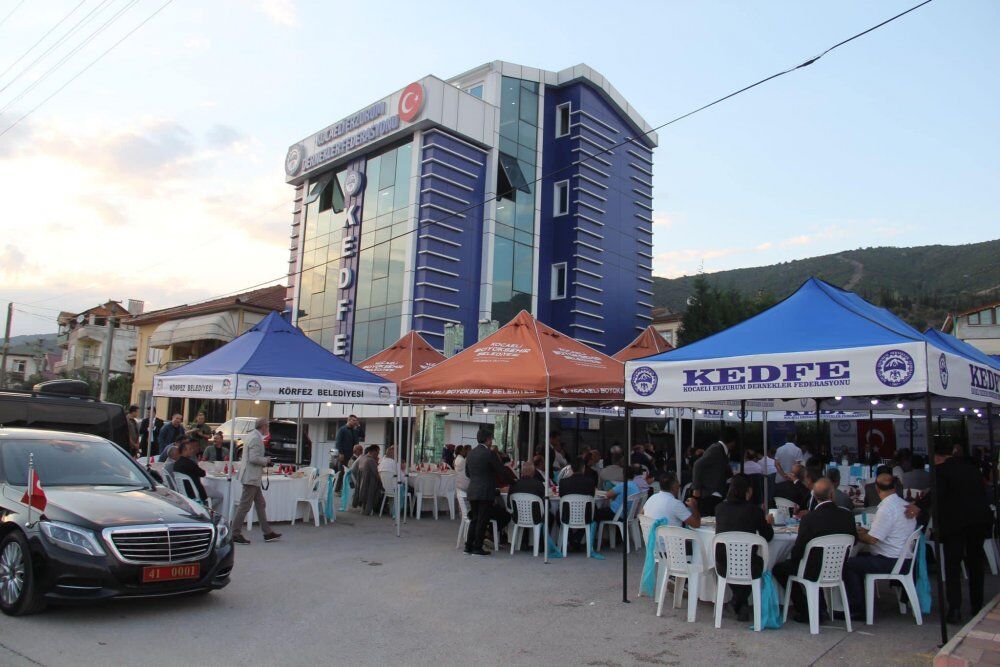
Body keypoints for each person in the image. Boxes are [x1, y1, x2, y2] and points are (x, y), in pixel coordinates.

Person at [918, 441, 993, 622]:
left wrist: (919, 505)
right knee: (975, 564)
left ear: (937, 458)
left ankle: (955, 609)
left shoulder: (942, 471)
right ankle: (977, 605)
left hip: (954, 523)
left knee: (952, 566)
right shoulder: (972, 468)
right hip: (978, 520)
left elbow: (937, 493)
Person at [773, 478, 857, 623]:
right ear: (832, 495)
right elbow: (854, 540)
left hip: (812, 569)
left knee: (780, 568)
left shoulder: (809, 519)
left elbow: (798, 551)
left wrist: (793, 560)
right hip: (838, 568)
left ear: (815, 496)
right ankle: (820, 607)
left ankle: (805, 609)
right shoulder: (847, 515)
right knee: (807, 563)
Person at [842, 472, 917, 619]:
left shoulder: (886, 509)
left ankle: (858, 609)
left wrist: (855, 532)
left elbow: (872, 540)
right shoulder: (905, 505)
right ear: (894, 487)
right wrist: (865, 532)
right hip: (904, 559)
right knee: (859, 558)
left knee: (849, 564)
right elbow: (885, 533)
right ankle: (862, 602)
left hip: (891, 560)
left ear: (876, 489)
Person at [715, 474, 774, 622]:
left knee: (737, 563)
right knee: (756, 563)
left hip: (723, 562)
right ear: (748, 491)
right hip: (748, 563)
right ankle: (740, 602)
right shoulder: (754, 511)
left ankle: (739, 603)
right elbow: (768, 536)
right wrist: (767, 523)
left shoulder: (720, 508)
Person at [231, 418, 281, 544]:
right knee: (245, 506)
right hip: (251, 477)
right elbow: (253, 458)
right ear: (263, 426)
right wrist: (266, 461)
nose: (268, 429)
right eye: (267, 426)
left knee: (260, 503)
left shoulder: (252, 435)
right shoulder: (255, 438)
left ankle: (267, 532)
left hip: (252, 477)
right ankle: (234, 533)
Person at [465, 427, 505, 556]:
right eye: (491, 439)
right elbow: (501, 471)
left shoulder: (470, 453)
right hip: (485, 491)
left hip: (473, 489)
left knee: (475, 519)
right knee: (482, 520)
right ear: (488, 439)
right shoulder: (489, 454)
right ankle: (477, 547)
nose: (491, 442)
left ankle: (468, 546)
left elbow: (467, 473)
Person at [691, 427, 736, 516]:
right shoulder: (716, 449)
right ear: (732, 441)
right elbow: (697, 464)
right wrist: (696, 488)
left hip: (715, 493)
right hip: (709, 494)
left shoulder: (721, 450)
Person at [173, 440, 223, 508]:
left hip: (184, 492)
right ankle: (205, 509)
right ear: (184, 451)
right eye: (190, 449)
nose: (192, 450)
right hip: (195, 491)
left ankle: (204, 508)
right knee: (220, 496)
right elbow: (202, 473)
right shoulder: (189, 463)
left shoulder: (176, 464)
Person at [352, 445, 383, 515]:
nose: (378, 454)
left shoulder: (362, 458)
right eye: (378, 452)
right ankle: (371, 508)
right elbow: (376, 474)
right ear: (373, 452)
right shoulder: (371, 460)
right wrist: (382, 483)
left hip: (361, 485)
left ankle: (364, 507)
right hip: (369, 486)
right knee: (381, 486)